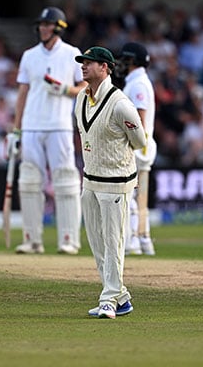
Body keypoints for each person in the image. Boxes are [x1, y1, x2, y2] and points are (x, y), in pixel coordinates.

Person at [74, 46, 147, 319]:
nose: (83, 66)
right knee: (97, 242)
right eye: (82, 62)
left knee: (113, 242)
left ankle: (108, 299)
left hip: (116, 182)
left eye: (89, 63)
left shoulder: (120, 103)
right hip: (89, 180)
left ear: (105, 67)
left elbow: (140, 141)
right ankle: (121, 297)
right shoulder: (81, 98)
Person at [10, 6, 87, 255]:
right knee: (30, 182)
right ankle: (32, 239)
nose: (43, 29)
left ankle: (69, 239)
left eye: (48, 25)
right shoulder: (29, 55)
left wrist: (66, 90)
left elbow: (84, 85)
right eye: (41, 25)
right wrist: (16, 129)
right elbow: (22, 93)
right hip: (32, 126)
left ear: (59, 27)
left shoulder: (71, 53)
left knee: (65, 181)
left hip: (59, 126)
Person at [115, 42, 157, 256]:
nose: (120, 63)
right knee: (139, 197)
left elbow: (138, 119)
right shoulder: (138, 81)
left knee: (127, 194)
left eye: (123, 59)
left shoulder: (138, 83)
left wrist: (128, 143)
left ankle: (132, 241)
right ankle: (144, 240)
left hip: (137, 146)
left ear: (132, 60)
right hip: (142, 146)